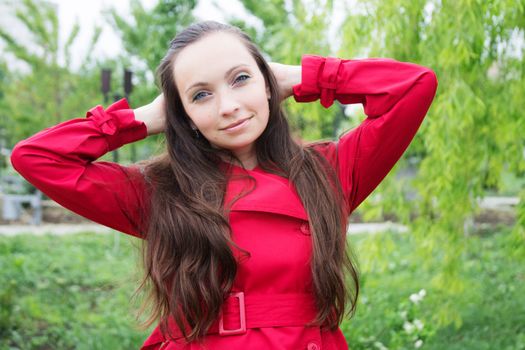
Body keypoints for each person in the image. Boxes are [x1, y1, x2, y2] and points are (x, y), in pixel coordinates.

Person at [10, 21, 438, 350]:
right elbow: (37, 158)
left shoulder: (328, 172)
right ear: (183, 114)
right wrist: (142, 119)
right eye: (200, 96)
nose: (229, 106)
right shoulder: (161, 192)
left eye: (241, 79)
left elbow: (413, 86)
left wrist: (307, 78)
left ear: (269, 82)